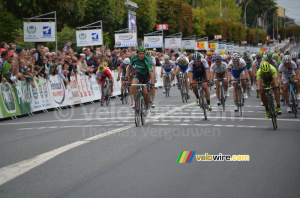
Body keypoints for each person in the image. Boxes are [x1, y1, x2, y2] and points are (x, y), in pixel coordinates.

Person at [125, 47, 155, 118]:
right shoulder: (134, 58)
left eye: (143, 54)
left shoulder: (147, 60)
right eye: (140, 54)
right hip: (139, 74)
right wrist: (126, 78)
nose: (141, 55)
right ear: (137, 54)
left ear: (144, 54)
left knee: (145, 91)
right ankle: (135, 100)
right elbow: (129, 68)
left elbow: (151, 72)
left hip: (146, 76)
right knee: (133, 85)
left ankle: (147, 108)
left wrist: (152, 84)